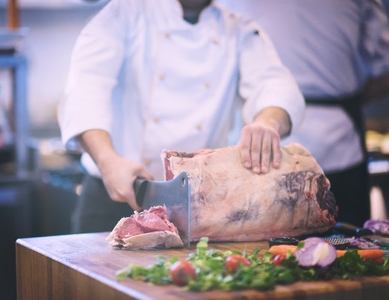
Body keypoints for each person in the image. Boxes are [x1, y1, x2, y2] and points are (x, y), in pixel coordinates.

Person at [58, 0, 305, 233]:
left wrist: (267, 121)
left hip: (199, 207)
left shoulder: (239, 28)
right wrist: (107, 160)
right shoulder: (126, 11)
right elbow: (86, 86)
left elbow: (276, 85)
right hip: (116, 196)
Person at [218, 0, 389, 226]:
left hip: (279, 151)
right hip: (287, 141)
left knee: (277, 250)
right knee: (349, 246)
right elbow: (384, 68)